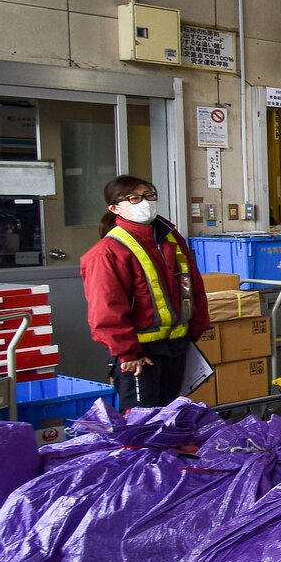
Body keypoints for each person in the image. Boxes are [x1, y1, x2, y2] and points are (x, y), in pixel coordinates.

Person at [81, 175, 209, 410]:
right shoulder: (108, 251)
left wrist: (194, 331)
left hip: (175, 345)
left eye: (149, 196)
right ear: (115, 208)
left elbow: (194, 287)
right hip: (140, 353)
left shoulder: (170, 238)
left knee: (168, 419)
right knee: (141, 425)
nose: (145, 202)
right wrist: (127, 353)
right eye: (134, 198)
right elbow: (106, 309)